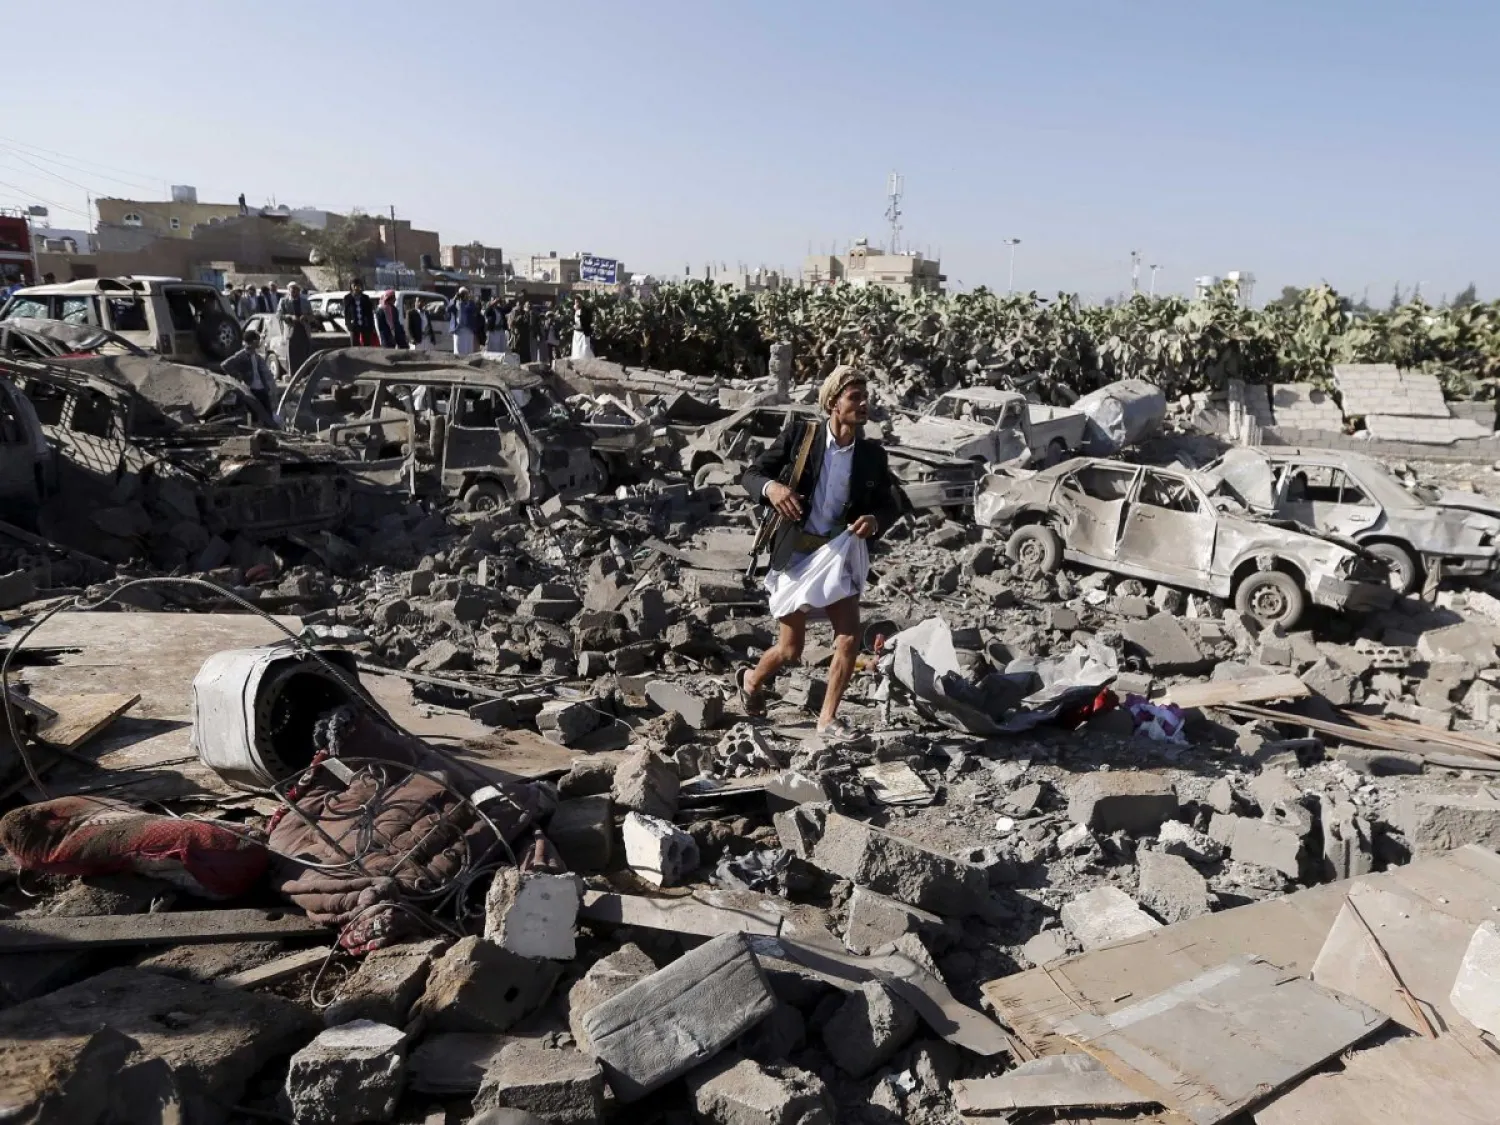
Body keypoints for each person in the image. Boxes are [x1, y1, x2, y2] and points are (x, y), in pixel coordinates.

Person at [737, 367, 901, 741]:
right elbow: (751, 475)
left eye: (865, 397)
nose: (863, 404)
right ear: (832, 403)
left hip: (838, 554)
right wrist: (772, 489)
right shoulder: (800, 437)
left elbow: (891, 504)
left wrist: (875, 520)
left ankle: (827, 719)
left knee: (848, 638)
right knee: (791, 650)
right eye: (854, 397)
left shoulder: (872, 456)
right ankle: (750, 680)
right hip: (796, 555)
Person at [221, 328, 278, 418]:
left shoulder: (257, 356)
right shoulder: (241, 355)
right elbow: (224, 365)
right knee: (255, 415)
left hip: (262, 389)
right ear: (253, 342)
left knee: (268, 414)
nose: (259, 343)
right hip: (252, 390)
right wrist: (237, 375)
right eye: (257, 340)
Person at [277, 283, 311, 375]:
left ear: (299, 291)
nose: (293, 292)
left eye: (296, 290)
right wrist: (290, 317)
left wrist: (306, 317)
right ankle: (293, 375)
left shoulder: (305, 302)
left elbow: (312, 315)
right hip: (291, 331)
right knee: (292, 355)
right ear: (288, 290)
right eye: (292, 290)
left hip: (303, 331)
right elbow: (279, 315)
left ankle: (305, 375)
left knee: (304, 355)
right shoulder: (283, 301)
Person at [344, 279, 378, 347]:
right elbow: (346, 313)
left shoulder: (365, 298)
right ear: (351, 286)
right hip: (354, 325)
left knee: (367, 345)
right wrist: (348, 325)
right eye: (354, 285)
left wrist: (371, 325)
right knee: (354, 345)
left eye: (358, 285)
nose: (356, 287)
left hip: (365, 325)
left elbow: (369, 313)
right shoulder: (347, 298)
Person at [449, 288, 481, 355]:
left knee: (468, 352)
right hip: (458, 331)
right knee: (459, 352)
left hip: (469, 331)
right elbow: (448, 309)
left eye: (465, 293)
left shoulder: (470, 304)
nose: (463, 295)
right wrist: (454, 298)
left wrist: (469, 298)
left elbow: (475, 309)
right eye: (462, 294)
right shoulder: (455, 303)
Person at [508, 298, 531, 364]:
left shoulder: (525, 314)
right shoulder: (517, 314)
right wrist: (514, 331)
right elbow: (512, 323)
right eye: (518, 305)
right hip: (518, 336)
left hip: (525, 337)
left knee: (525, 353)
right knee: (517, 352)